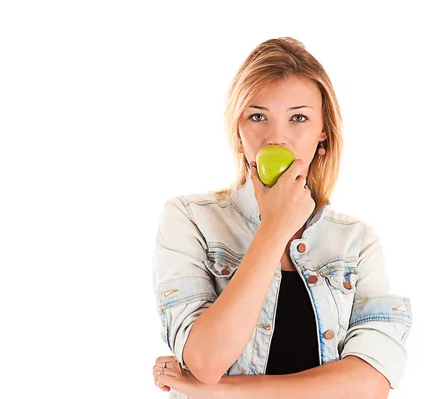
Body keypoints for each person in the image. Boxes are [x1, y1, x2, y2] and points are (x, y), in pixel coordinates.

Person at [150, 37, 412, 399]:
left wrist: (223, 391)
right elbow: (206, 361)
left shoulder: (358, 242)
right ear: (239, 135)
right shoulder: (189, 219)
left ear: (323, 134)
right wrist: (274, 228)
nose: (277, 138)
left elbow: (369, 384)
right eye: (257, 117)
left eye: (298, 118)